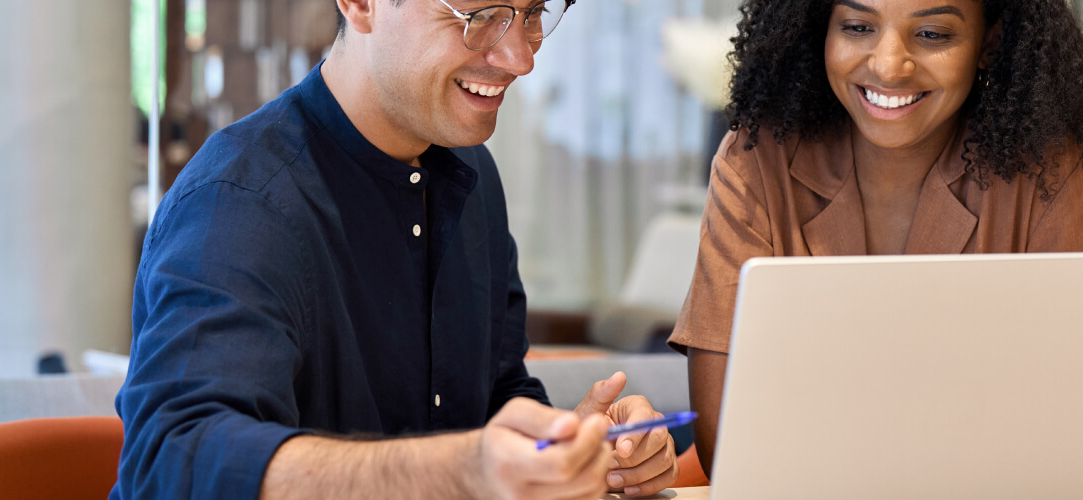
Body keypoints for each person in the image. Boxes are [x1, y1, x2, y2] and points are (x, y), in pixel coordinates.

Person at [112, 0, 680, 498]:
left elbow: (495, 399)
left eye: (531, 15)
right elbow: (173, 463)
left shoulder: (469, 173)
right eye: (479, 17)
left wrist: (568, 446)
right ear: (361, 4)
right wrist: (456, 473)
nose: (519, 58)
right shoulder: (242, 202)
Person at [670, 0, 1083, 475]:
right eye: (857, 26)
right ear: (818, 29)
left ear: (989, 43)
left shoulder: (1046, 169)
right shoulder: (755, 161)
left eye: (932, 34)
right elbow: (726, 446)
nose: (889, 66)